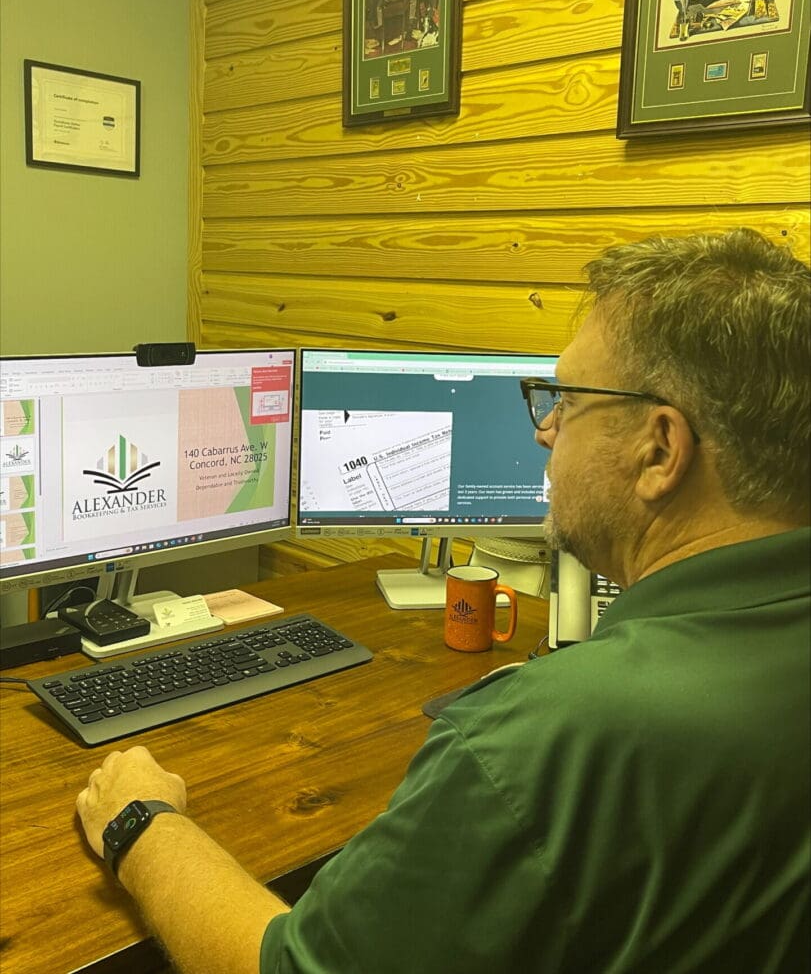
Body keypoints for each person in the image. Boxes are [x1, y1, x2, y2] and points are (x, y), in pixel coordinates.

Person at [77, 228, 810, 974]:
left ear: (659, 449)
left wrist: (141, 822)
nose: (545, 432)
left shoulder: (541, 737)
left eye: (565, 402)